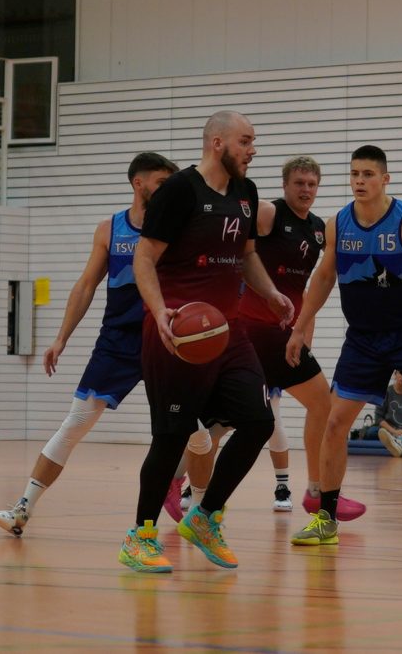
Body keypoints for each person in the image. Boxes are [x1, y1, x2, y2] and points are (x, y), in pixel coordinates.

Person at [119, 110, 295, 573]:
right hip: (179, 331)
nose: (253, 149)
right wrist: (160, 313)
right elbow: (143, 259)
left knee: (258, 421)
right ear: (218, 143)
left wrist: (271, 292)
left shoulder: (246, 192)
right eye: (246, 141)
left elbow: (247, 257)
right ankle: (140, 535)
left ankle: (206, 515)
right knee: (172, 436)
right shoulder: (178, 191)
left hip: (228, 330)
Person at [284, 144, 402, 550]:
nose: (359, 181)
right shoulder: (338, 223)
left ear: (385, 179)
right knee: (335, 424)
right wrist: (300, 326)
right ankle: (326, 518)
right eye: (354, 174)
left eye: (368, 174)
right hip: (364, 340)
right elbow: (322, 279)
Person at [0, 153, 178, 537]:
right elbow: (86, 285)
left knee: (194, 430)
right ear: (138, 183)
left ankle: (200, 507)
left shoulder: (178, 228)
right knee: (75, 423)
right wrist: (60, 338)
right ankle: (22, 508)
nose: (167, 190)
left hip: (164, 338)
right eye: (161, 182)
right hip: (118, 342)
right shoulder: (110, 228)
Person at [236, 155, 365, 520]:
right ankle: (183, 484)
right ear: (285, 185)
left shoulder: (320, 229)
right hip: (251, 329)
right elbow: (239, 254)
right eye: (299, 183)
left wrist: (305, 329)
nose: (306, 190)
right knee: (226, 419)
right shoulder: (267, 213)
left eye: (312, 184)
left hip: (284, 335)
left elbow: (317, 282)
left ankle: (316, 491)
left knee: (322, 406)